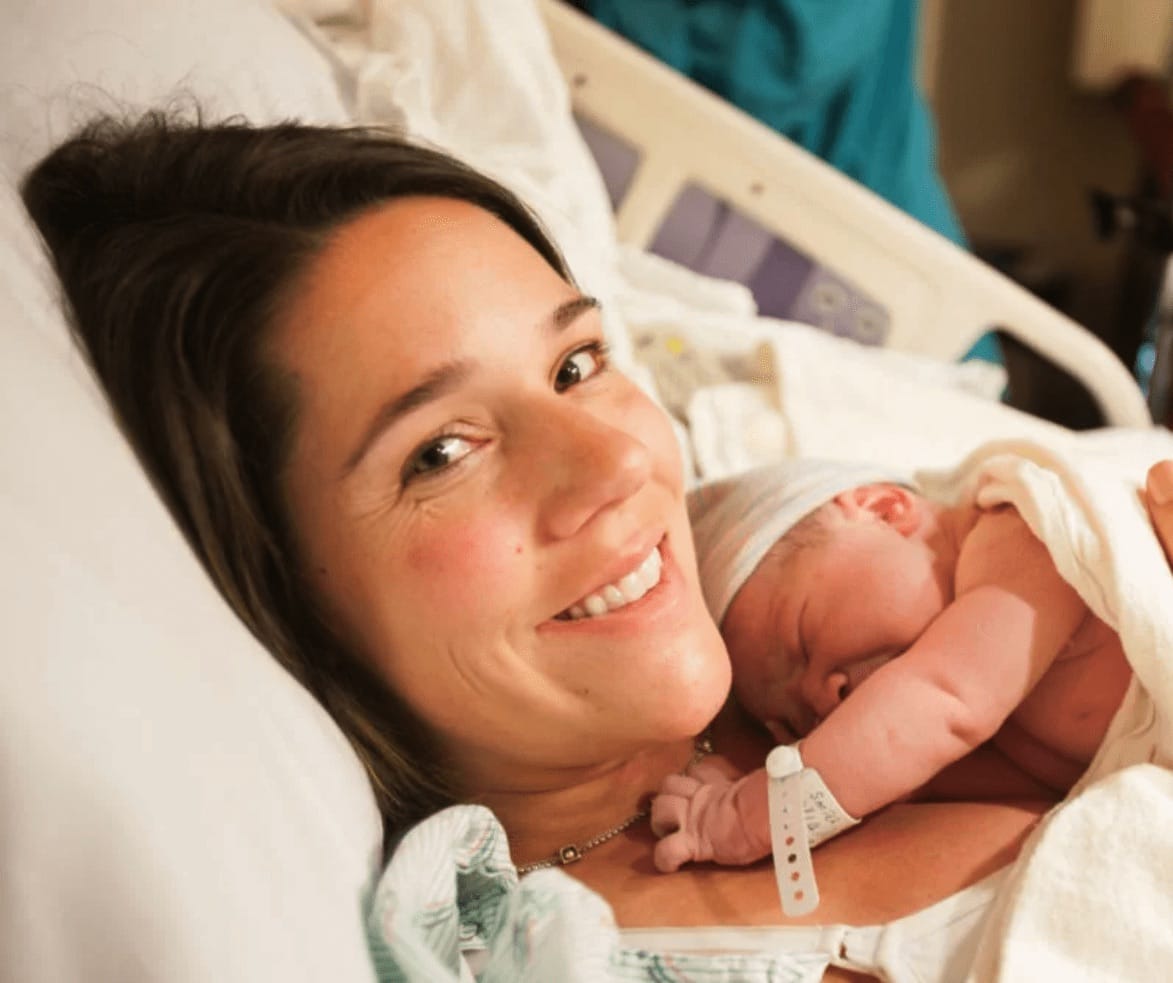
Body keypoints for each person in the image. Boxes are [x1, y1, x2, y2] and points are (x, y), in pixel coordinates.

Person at [19, 113, 1173, 981]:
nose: (617, 461)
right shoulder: (563, 947)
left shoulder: (815, 588)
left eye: (577, 365)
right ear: (283, 598)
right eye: (441, 451)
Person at [651, 454, 1139, 896]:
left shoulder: (1022, 533)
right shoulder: (985, 717)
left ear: (883, 510)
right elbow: (930, 764)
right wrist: (786, 770)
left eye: (803, 639)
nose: (824, 698)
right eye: (797, 718)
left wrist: (755, 814)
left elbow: (943, 700)